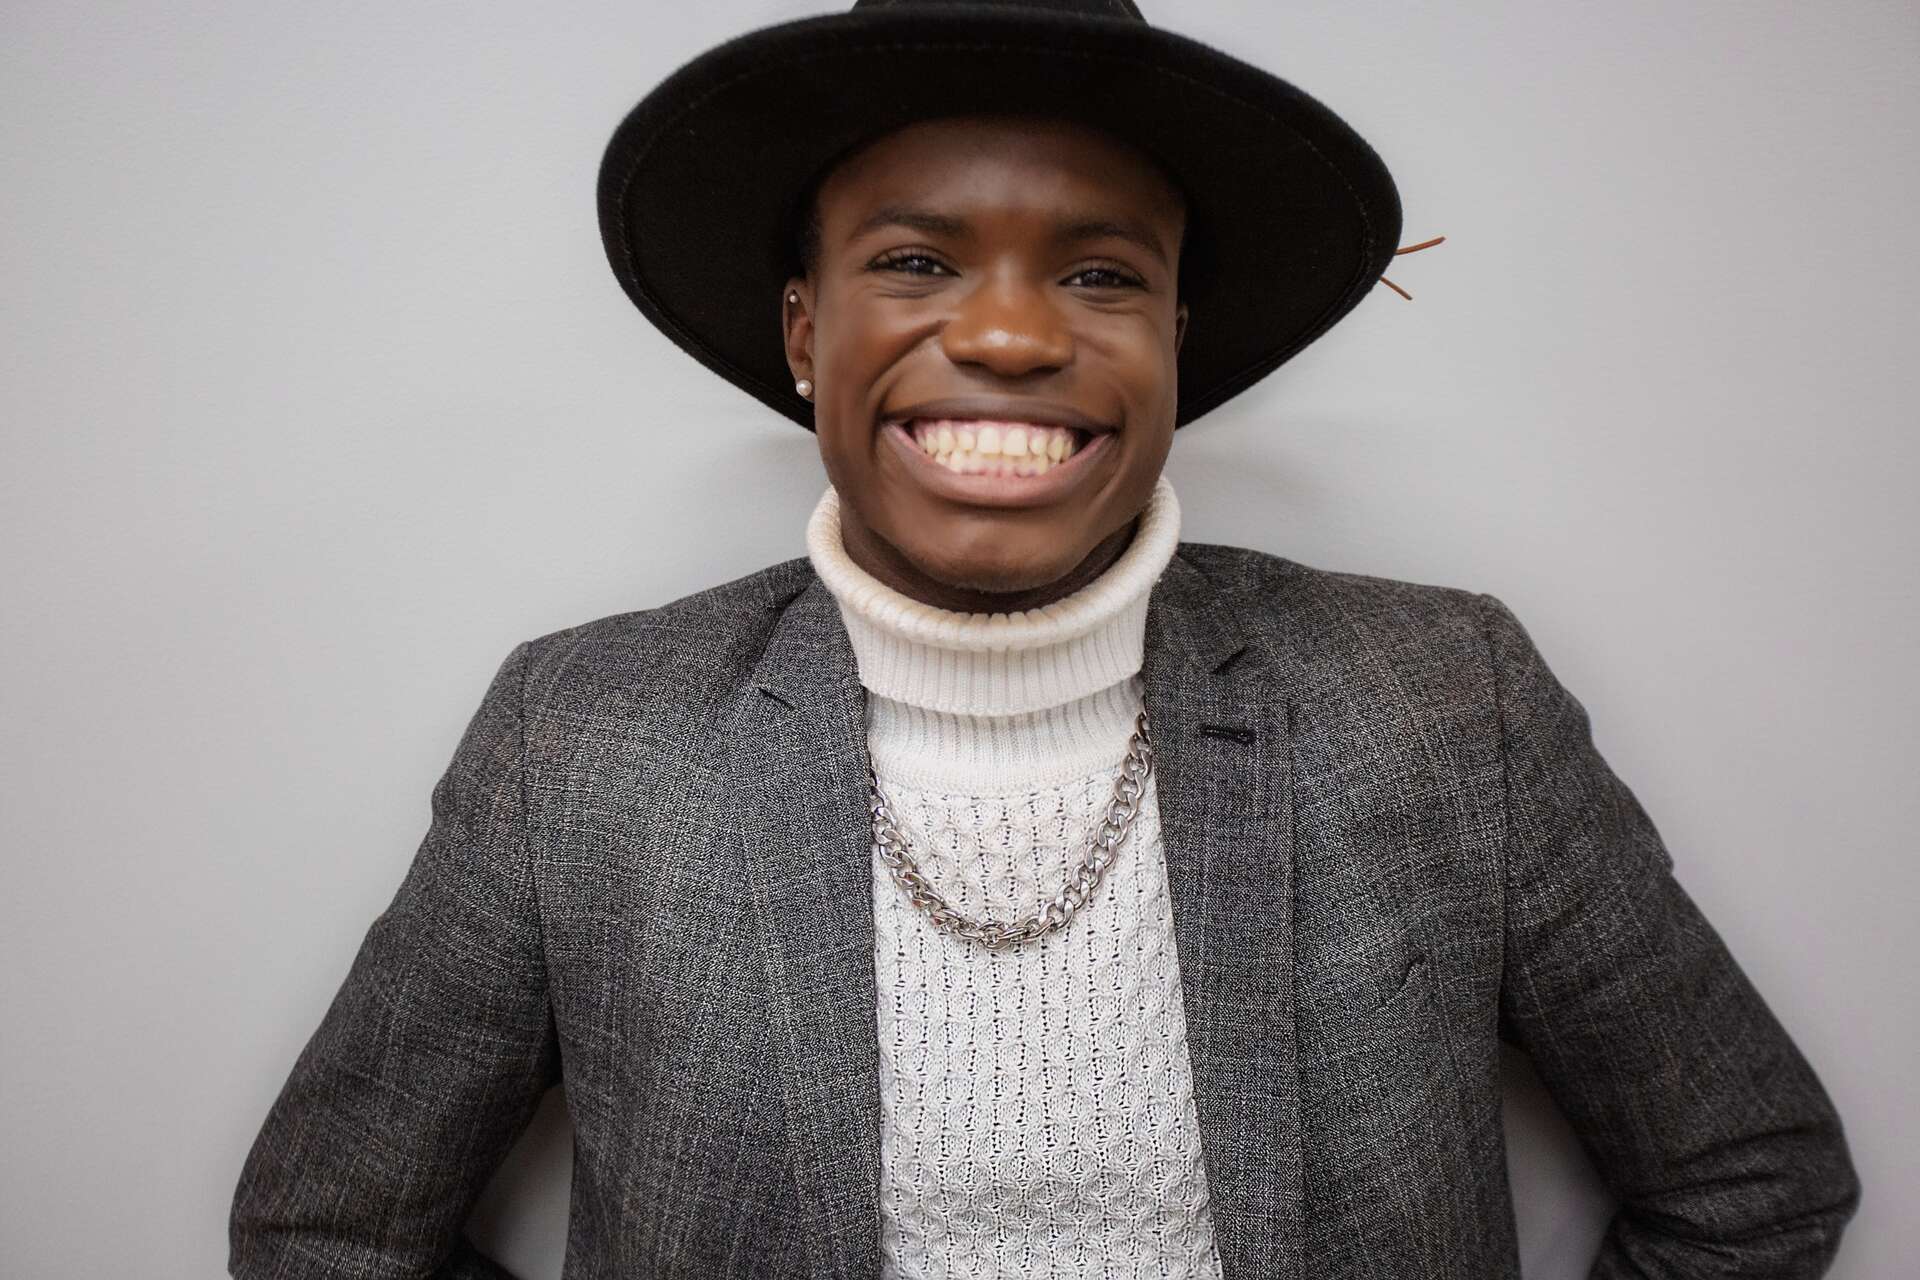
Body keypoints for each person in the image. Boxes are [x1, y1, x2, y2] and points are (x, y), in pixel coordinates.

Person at [229, 1, 1860, 1276]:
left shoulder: (1443, 702)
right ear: (805, 332)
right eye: (917, 260)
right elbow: (327, 1234)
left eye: (1097, 272)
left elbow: (1748, 1181)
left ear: (1171, 341)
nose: (1009, 333)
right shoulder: (580, 740)